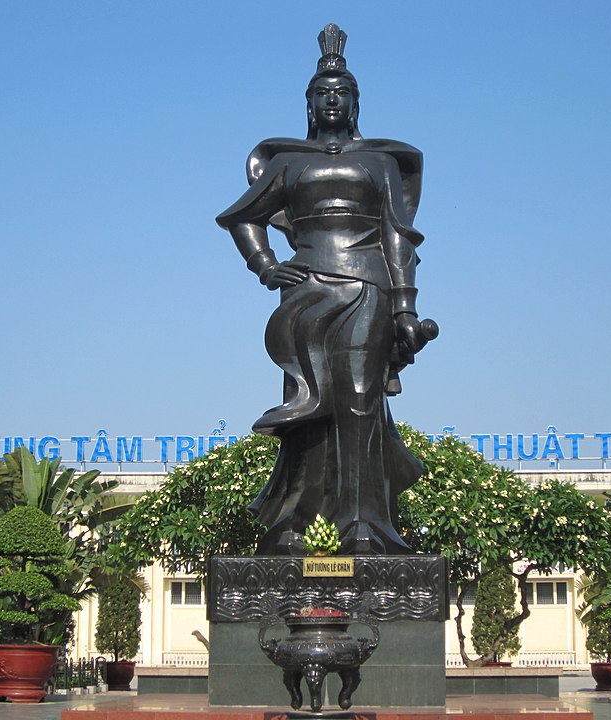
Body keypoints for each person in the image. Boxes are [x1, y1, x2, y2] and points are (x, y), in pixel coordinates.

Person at [217, 24, 432, 555]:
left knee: (358, 401)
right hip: (307, 287)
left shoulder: (380, 162)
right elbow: (243, 218)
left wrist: (406, 306)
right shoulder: (290, 162)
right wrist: (266, 266)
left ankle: (364, 525)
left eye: (342, 94)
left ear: (355, 103)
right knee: (306, 406)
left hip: (369, 286)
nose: (332, 100)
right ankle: (288, 527)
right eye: (322, 94)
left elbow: (397, 235)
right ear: (309, 104)